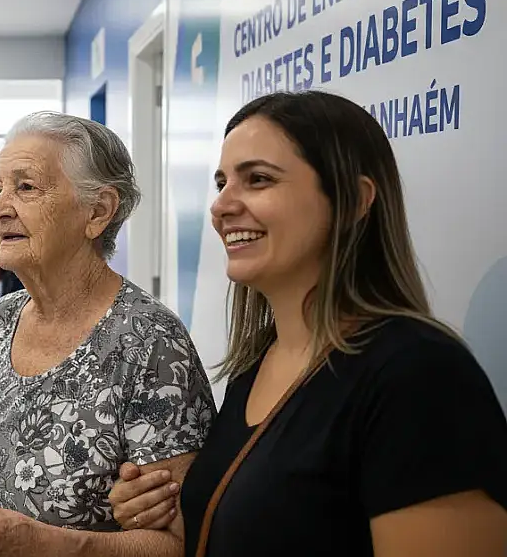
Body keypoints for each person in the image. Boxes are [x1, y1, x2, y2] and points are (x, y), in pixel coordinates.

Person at [107, 90, 507, 557]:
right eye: (221, 184)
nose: (220, 207)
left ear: (355, 201)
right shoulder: (256, 368)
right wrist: (176, 511)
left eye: (257, 179)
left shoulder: (419, 375)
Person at [0, 112, 214, 557]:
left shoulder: (150, 343)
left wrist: (41, 544)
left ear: (98, 211)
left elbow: (175, 544)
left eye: (25, 187)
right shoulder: (1, 320)